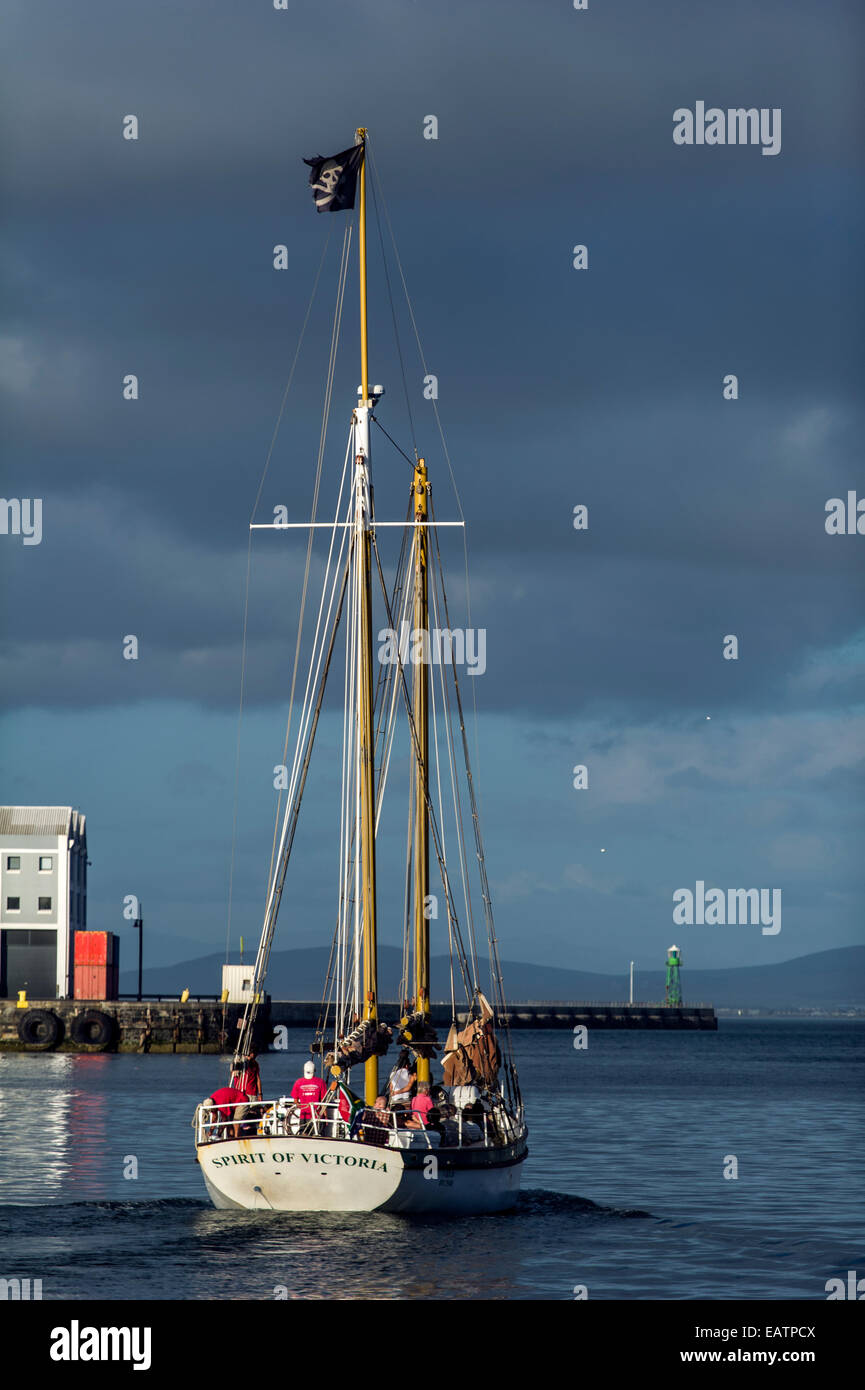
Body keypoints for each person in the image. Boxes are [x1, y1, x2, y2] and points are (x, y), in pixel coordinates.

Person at [291, 1060, 326, 1129]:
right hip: (317, 1116)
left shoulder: (298, 1082)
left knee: (303, 1135)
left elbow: (295, 1101)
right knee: (317, 1135)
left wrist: (301, 1106)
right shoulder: (320, 1082)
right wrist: (326, 1116)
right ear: (315, 1070)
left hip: (303, 1116)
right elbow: (324, 1101)